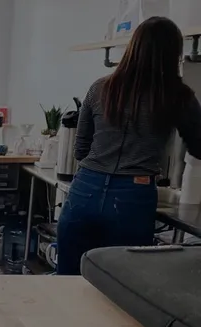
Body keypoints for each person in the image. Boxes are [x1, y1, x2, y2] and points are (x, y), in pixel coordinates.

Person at [57, 16, 201, 276]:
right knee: (121, 284)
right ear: (173, 54)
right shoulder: (178, 95)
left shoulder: (100, 87)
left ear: (133, 47)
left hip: (85, 188)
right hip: (132, 196)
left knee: (68, 280)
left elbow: (81, 149)